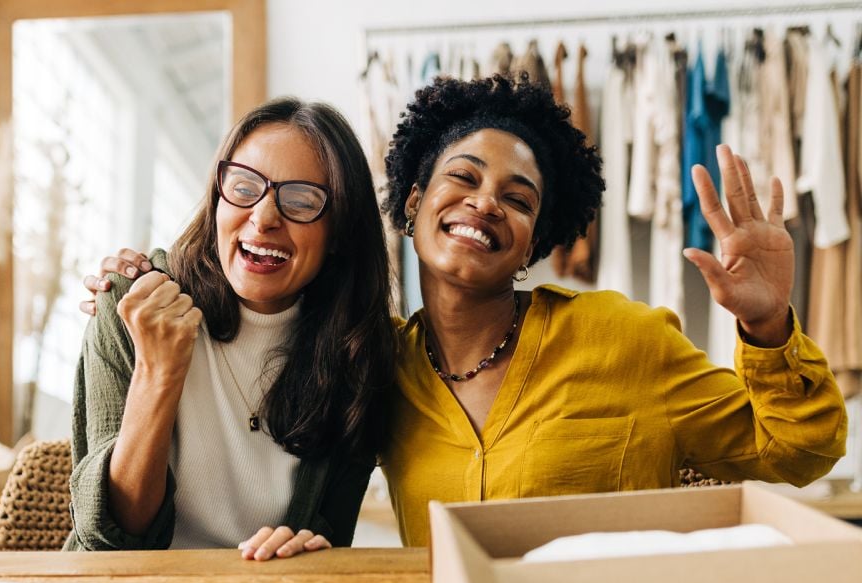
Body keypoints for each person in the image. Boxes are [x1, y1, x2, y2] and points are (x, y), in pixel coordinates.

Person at [83, 76, 846, 550]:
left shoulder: (626, 338)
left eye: (518, 199)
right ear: (413, 203)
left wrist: (768, 325)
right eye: (465, 178)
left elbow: (798, 451)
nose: (486, 202)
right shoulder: (379, 363)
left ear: (534, 244)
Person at [64, 97, 396, 558]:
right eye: (243, 188)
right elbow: (108, 536)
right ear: (218, 197)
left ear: (339, 230)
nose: (263, 218)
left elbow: (331, 542)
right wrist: (157, 374)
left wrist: (307, 547)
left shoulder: (360, 354)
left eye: (301, 200)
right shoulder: (133, 305)